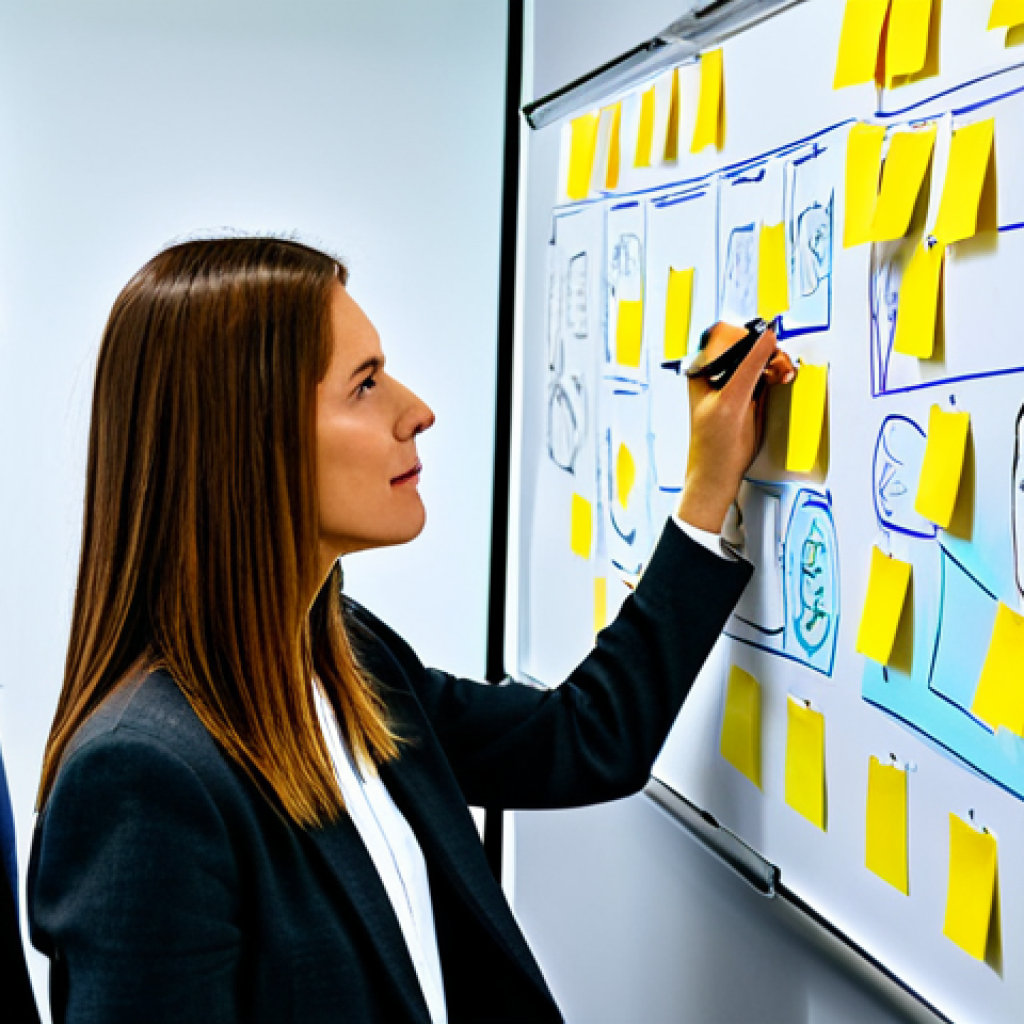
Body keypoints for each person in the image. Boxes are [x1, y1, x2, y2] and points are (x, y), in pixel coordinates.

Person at [27, 237, 794, 1024]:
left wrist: (709, 486)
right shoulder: (141, 781)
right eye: (364, 385)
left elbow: (585, 736)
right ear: (249, 439)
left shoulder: (344, 656)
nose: (417, 410)